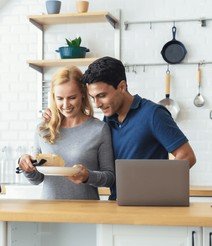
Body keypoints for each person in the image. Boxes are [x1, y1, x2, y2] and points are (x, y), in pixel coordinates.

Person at [80, 56, 196, 200]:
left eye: (102, 96)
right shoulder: (108, 119)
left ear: (122, 87)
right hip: (118, 204)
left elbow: (187, 156)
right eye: (93, 98)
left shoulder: (153, 114)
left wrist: (153, 188)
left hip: (151, 205)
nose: (97, 104)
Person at [18, 65, 115, 200]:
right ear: (53, 97)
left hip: (86, 213)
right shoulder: (43, 129)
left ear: (82, 93)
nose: (65, 104)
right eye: (60, 98)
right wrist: (26, 166)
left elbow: (110, 178)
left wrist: (88, 176)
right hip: (49, 212)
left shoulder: (99, 129)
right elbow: (37, 179)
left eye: (71, 97)